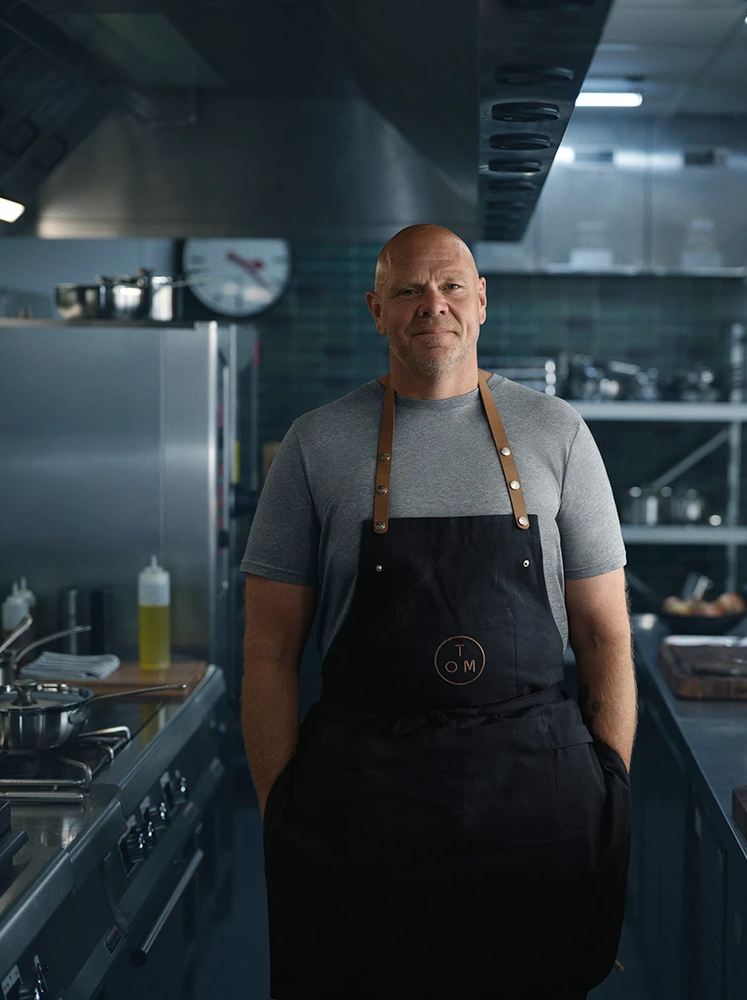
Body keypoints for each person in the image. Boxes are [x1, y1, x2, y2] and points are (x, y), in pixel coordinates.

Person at [241, 224, 635, 999]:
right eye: (409, 290)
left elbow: (603, 631)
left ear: (482, 300)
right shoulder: (315, 444)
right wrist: (280, 809)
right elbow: (269, 649)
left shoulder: (558, 434)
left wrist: (610, 785)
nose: (434, 305)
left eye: (452, 285)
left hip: (536, 812)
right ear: (376, 309)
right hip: (364, 813)